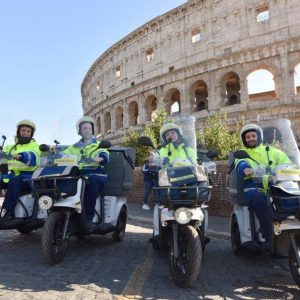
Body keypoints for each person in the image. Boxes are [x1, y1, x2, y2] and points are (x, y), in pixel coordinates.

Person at [235, 124, 290, 249]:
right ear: (244, 140)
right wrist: (246, 169)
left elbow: (286, 162)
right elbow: (241, 165)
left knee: (291, 196)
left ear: (259, 136)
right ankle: (267, 236)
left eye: (253, 136)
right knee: (259, 198)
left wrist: (291, 167)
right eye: (247, 137)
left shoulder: (272, 151)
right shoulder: (242, 153)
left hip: (274, 187)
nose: (251, 139)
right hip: (253, 188)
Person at [63, 116, 109, 227]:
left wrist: (101, 158)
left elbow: (105, 154)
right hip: (79, 175)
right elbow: (64, 155)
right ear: (80, 131)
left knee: (92, 182)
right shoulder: (74, 147)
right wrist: (55, 155)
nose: (87, 130)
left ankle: (88, 218)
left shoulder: (98, 144)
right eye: (84, 128)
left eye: (89, 128)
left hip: (96, 174)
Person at [0, 120, 40, 220]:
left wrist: (22, 156)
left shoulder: (34, 145)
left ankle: (7, 212)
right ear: (18, 132)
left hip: (29, 177)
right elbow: (2, 159)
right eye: (23, 130)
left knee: (15, 181)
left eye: (28, 131)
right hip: (11, 175)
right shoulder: (10, 147)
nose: (25, 133)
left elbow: (35, 156)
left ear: (31, 134)